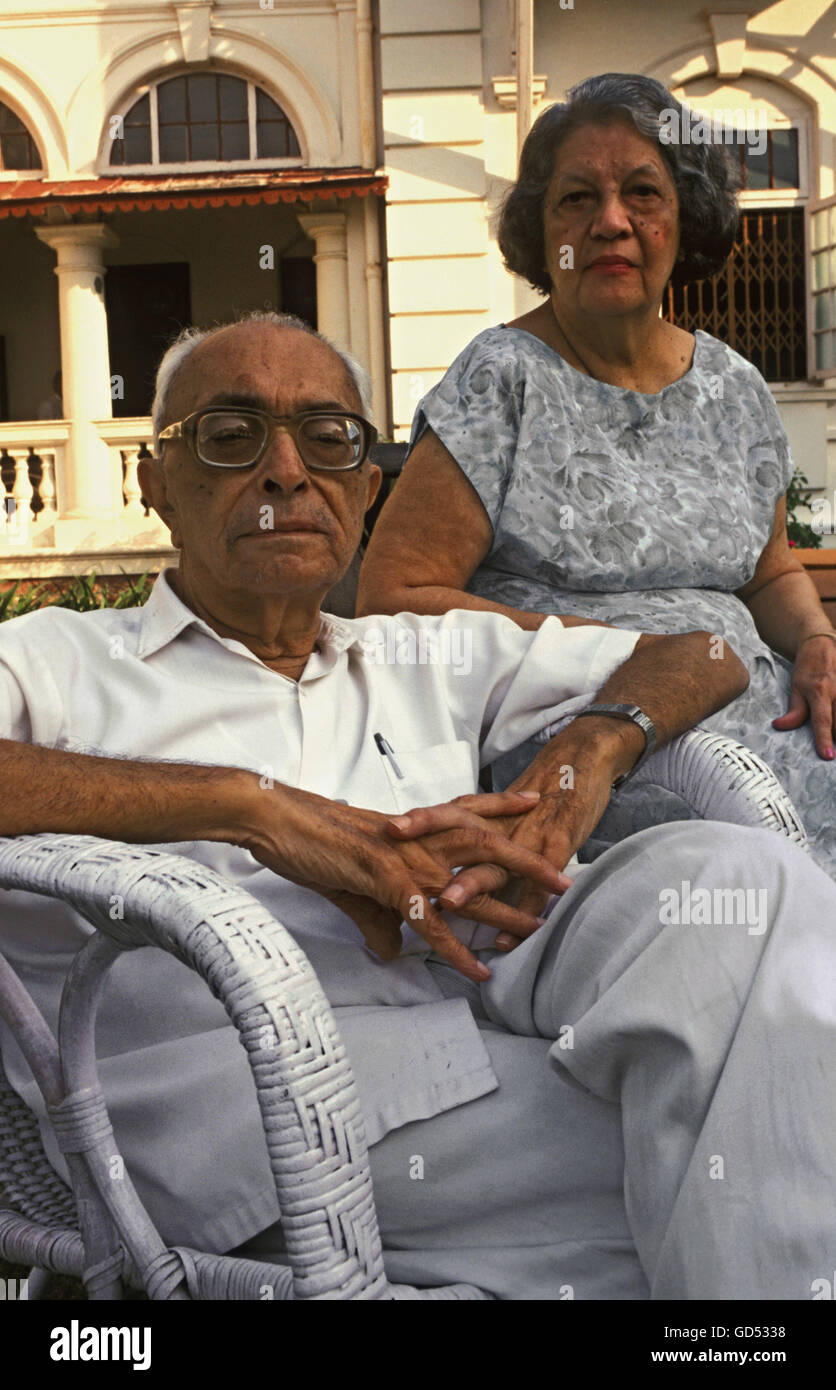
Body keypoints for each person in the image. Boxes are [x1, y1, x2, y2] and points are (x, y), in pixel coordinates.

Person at [1, 312, 836, 1302]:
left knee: (744, 881)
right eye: (231, 436)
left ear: (363, 489)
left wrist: (590, 748)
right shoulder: (59, 658)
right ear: (155, 482)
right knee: (749, 1139)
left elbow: (705, 653)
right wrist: (247, 807)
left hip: (481, 1027)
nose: (284, 472)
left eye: (327, 439)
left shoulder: (412, 655)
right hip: (242, 1119)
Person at [356, 72, 836, 876]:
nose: (611, 221)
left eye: (642, 192)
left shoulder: (734, 386)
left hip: (776, 726)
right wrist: (643, 654)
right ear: (543, 237)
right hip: (595, 745)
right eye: (577, 199)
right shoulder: (502, 379)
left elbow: (769, 571)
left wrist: (818, 639)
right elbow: (396, 596)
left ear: (683, 221)